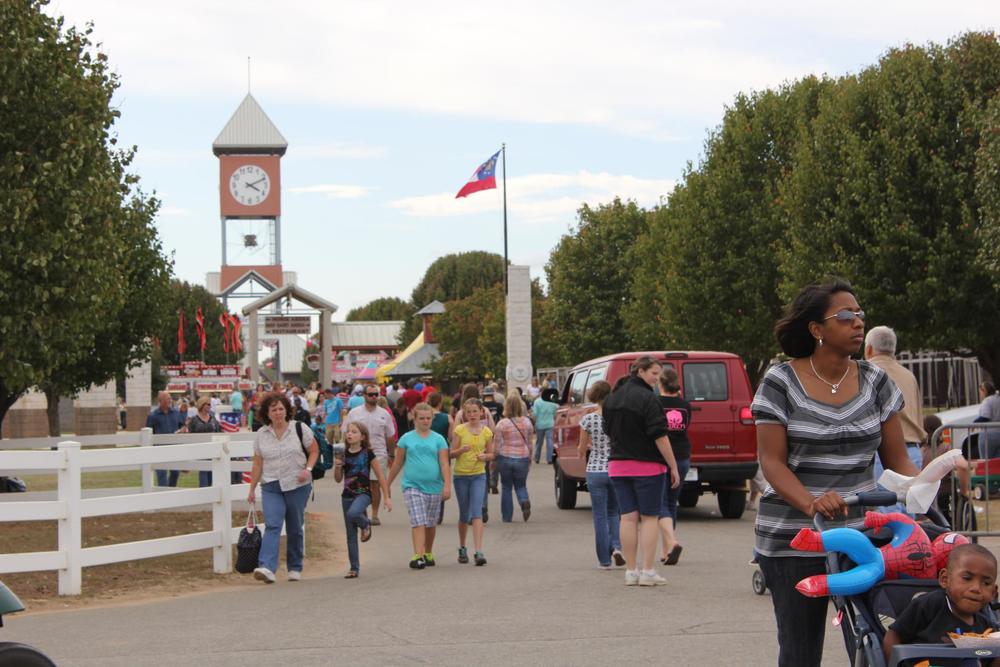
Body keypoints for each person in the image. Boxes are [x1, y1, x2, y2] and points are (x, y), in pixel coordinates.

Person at [753, 279, 920, 666]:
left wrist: (927, 483)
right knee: (800, 653)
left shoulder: (877, 381)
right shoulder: (781, 382)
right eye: (846, 316)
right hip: (793, 538)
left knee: (873, 644)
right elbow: (772, 461)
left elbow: (898, 460)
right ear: (816, 329)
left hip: (863, 536)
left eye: (860, 314)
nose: (858, 323)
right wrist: (811, 501)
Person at [603, 357, 680, 587]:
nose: (657, 379)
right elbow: (660, 435)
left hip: (618, 465)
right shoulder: (649, 399)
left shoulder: (612, 398)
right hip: (648, 466)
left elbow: (609, 431)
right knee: (649, 518)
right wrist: (673, 465)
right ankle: (647, 570)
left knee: (627, 517)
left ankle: (630, 571)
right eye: (654, 373)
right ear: (641, 371)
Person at [247, 392, 318, 584]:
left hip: (297, 484)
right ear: (267, 413)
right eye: (273, 409)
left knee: (295, 526)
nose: (278, 412)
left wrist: (308, 469)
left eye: (281, 409)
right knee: (273, 524)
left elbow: (314, 450)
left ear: (286, 410)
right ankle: (267, 567)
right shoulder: (261, 435)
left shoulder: (298, 428)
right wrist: (252, 489)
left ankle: (295, 566)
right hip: (271, 484)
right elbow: (257, 463)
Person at [883, 544, 998, 662]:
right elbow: (893, 636)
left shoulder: (987, 628)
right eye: (967, 578)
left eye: (986, 583)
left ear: (994, 593)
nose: (976, 588)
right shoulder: (929, 605)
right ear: (945, 579)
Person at [865, 325, 926, 514]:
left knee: (887, 520)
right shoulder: (909, 376)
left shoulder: (866, 373)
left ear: (868, 349)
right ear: (894, 349)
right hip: (912, 452)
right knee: (908, 519)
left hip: (882, 454)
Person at [388, 403, 451, 569]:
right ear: (414, 419)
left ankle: (428, 552)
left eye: (428, 418)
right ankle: (418, 555)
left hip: (434, 487)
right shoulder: (406, 439)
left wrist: (447, 486)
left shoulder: (439, 439)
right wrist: (387, 483)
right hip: (412, 485)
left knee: (430, 524)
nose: (425, 421)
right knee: (418, 521)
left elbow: (444, 464)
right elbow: (397, 463)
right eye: (421, 418)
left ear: (432, 418)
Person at [577, 380, 625, 569]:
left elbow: (581, 450)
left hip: (595, 471)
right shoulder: (618, 418)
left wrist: (587, 447)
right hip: (615, 468)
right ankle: (617, 547)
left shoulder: (588, 419)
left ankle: (604, 561)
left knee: (599, 516)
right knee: (615, 512)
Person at [335, 422, 391, 579]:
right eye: (348, 432)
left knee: (353, 513)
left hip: (364, 494)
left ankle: (365, 524)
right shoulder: (343, 454)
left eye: (354, 432)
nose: (349, 434)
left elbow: (380, 476)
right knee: (350, 534)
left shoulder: (368, 454)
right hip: (347, 495)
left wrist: (387, 497)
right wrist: (338, 467)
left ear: (363, 436)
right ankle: (354, 568)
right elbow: (338, 479)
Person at [344, 383, 397, 526]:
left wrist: (391, 454)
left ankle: (374, 514)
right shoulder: (354, 413)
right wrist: (346, 452)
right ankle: (360, 511)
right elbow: (346, 432)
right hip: (358, 452)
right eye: (371, 394)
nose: (374, 397)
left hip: (378, 452)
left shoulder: (384, 414)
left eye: (376, 394)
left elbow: (390, 436)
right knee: (358, 482)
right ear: (364, 396)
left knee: (375, 483)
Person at [450, 398, 494, 566]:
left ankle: (478, 551)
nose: (472, 415)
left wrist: (486, 457)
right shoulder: (460, 430)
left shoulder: (487, 432)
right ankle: (462, 547)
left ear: (481, 412)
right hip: (461, 476)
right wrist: (460, 450)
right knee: (464, 514)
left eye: (475, 411)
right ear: (464, 414)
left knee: (477, 513)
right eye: (468, 412)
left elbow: (491, 454)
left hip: (478, 475)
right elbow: (451, 453)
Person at [657, 368, 691, 565]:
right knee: (671, 503)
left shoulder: (656, 404)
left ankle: (671, 543)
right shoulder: (685, 405)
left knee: (659, 503)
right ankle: (666, 549)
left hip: (661, 457)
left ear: (660, 384)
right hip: (683, 456)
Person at [493, 393, 534, 523]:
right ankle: (524, 501)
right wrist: (530, 458)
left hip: (505, 457)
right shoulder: (527, 422)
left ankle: (507, 516)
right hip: (522, 457)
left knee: (506, 487)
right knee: (521, 485)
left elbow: (497, 444)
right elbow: (529, 442)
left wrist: (494, 459)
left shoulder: (501, 424)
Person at [146, 391, 186, 487]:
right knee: (162, 474)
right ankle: (162, 495)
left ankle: (170, 492)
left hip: (174, 449)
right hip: (160, 450)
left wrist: (183, 429)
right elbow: (148, 431)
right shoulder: (153, 415)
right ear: (161, 401)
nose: (170, 400)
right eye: (168, 399)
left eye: (170, 398)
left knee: (175, 473)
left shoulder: (176, 413)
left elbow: (181, 425)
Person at [187, 396, 222, 487]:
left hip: (213, 449)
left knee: (212, 474)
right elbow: (190, 435)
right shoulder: (194, 420)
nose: (210, 406)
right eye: (208, 404)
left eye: (210, 404)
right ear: (202, 405)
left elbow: (218, 431)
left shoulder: (213, 418)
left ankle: (211, 494)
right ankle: (204, 495)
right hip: (201, 450)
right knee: (203, 473)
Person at [531, 388, 558, 464]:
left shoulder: (537, 402)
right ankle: (549, 459)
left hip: (539, 424)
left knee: (539, 442)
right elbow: (555, 414)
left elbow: (535, 414)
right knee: (550, 441)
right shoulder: (552, 402)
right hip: (550, 424)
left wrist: (533, 422)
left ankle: (537, 458)